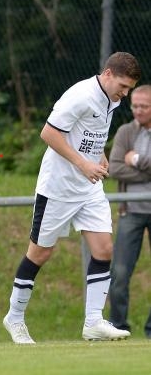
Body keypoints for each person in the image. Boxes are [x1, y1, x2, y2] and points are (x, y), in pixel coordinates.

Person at [2, 52, 141, 344]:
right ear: (107, 74)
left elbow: (92, 132)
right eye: (123, 86)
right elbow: (49, 133)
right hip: (58, 187)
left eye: (129, 88)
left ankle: (93, 323)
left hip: (89, 187)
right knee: (40, 253)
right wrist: (83, 164)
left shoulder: (112, 100)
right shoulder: (79, 95)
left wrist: (98, 155)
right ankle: (14, 317)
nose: (125, 94)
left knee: (103, 249)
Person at [108, 84, 151, 338]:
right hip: (130, 211)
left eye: (144, 106)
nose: (137, 111)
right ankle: (118, 327)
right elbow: (114, 168)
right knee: (120, 272)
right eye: (134, 105)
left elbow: (126, 165)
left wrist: (135, 160)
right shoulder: (125, 132)